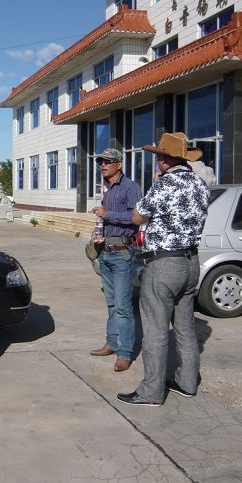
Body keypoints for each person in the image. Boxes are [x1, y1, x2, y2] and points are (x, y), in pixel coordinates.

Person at [117, 133, 210, 407]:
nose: (157, 161)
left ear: (164, 160)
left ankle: (152, 391)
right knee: (185, 327)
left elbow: (137, 217)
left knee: (156, 329)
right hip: (192, 261)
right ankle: (187, 382)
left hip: (164, 263)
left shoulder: (164, 184)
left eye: (158, 156)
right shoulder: (200, 184)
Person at [89, 148, 142, 372]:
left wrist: (107, 214)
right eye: (101, 161)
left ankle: (125, 353)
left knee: (123, 307)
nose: (103, 165)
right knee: (111, 304)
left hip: (122, 253)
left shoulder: (130, 187)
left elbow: (136, 218)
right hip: (106, 251)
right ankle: (111, 343)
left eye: (108, 161)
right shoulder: (107, 188)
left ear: (119, 164)